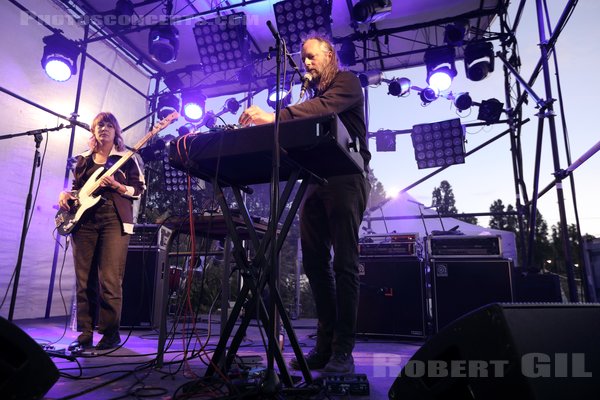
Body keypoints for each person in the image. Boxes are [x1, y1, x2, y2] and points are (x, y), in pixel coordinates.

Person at [239, 36, 371, 374]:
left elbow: (324, 108)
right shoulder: (311, 95)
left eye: (311, 57)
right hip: (316, 180)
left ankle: (344, 349)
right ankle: (325, 346)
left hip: (346, 176)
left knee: (344, 263)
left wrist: (275, 116)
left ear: (329, 55)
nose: (307, 63)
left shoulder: (347, 82)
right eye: (303, 58)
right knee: (313, 262)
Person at [58, 112, 145, 351]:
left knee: (109, 279)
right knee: (84, 280)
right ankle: (85, 332)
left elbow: (138, 190)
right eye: (99, 125)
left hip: (114, 220)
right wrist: (66, 194)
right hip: (84, 222)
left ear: (116, 131)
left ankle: (110, 334)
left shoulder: (127, 157)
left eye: (109, 125)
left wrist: (117, 185)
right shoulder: (84, 159)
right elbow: (77, 190)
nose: (104, 128)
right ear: (93, 131)